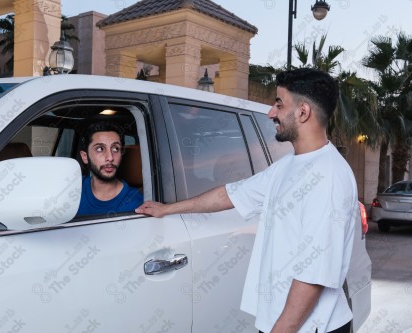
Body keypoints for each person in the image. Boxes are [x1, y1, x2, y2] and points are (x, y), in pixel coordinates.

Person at [136, 68, 357, 333]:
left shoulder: (328, 177)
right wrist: (169, 208)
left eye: (278, 104)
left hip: (311, 327)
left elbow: (312, 277)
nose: (271, 113)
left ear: (303, 112)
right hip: (285, 323)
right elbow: (228, 195)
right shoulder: (288, 166)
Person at [77, 121, 143, 216]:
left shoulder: (136, 203)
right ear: (85, 157)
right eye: (100, 149)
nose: (110, 158)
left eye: (115, 149)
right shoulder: (74, 189)